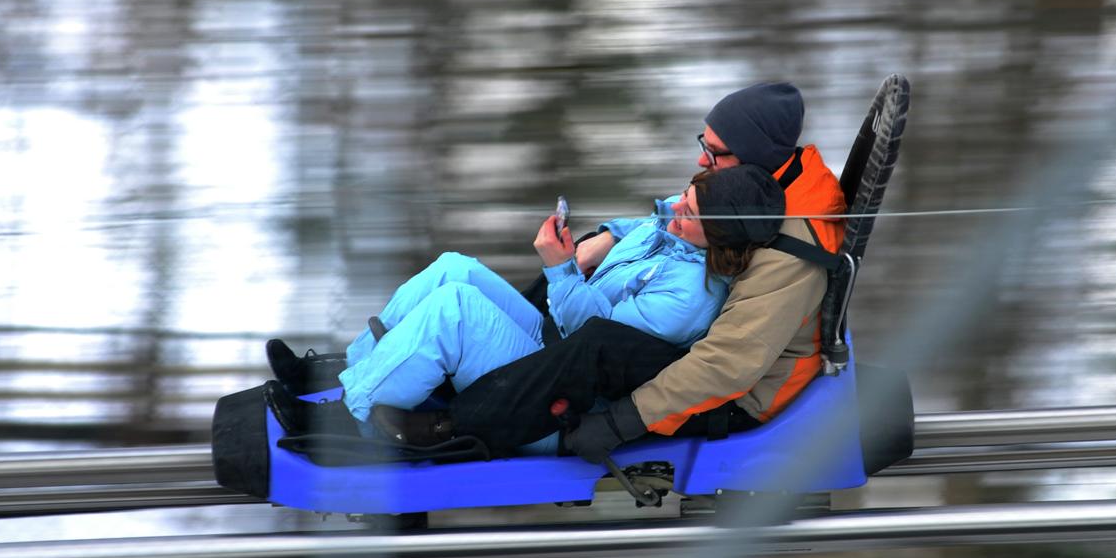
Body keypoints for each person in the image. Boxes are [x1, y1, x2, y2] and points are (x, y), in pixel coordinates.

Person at [374, 81, 849, 463]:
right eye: (704, 144)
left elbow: (726, 365)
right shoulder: (768, 183)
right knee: (544, 270)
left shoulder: (791, 253)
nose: (703, 159)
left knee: (597, 342)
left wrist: (620, 422)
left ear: (752, 158)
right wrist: (609, 237)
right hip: (704, 354)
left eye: (716, 151)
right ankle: (405, 359)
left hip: (733, 399)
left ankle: (457, 428)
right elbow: (678, 218)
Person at [263, 163, 786, 443]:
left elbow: (595, 343)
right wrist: (603, 237)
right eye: (686, 196)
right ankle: (347, 370)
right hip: (552, 334)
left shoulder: (689, 299)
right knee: (454, 268)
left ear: (719, 239)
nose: (675, 210)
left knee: (456, 312)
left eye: (689, 213)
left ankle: (347, 420)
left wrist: (560, 266)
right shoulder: (675, 230)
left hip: (558, 375)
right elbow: (650, 223)